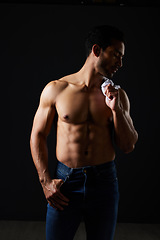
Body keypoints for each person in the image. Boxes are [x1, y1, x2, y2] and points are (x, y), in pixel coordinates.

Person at [30, 25, 138, 240]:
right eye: (116, 54)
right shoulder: (57, 89)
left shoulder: (118, 96)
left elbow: (128, 145)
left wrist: (116, 110)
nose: (120, 63)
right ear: (97, 50)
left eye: (122, 57)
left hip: (104, 183)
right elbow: (38, 135)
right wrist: (45, 182)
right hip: (66, 182)